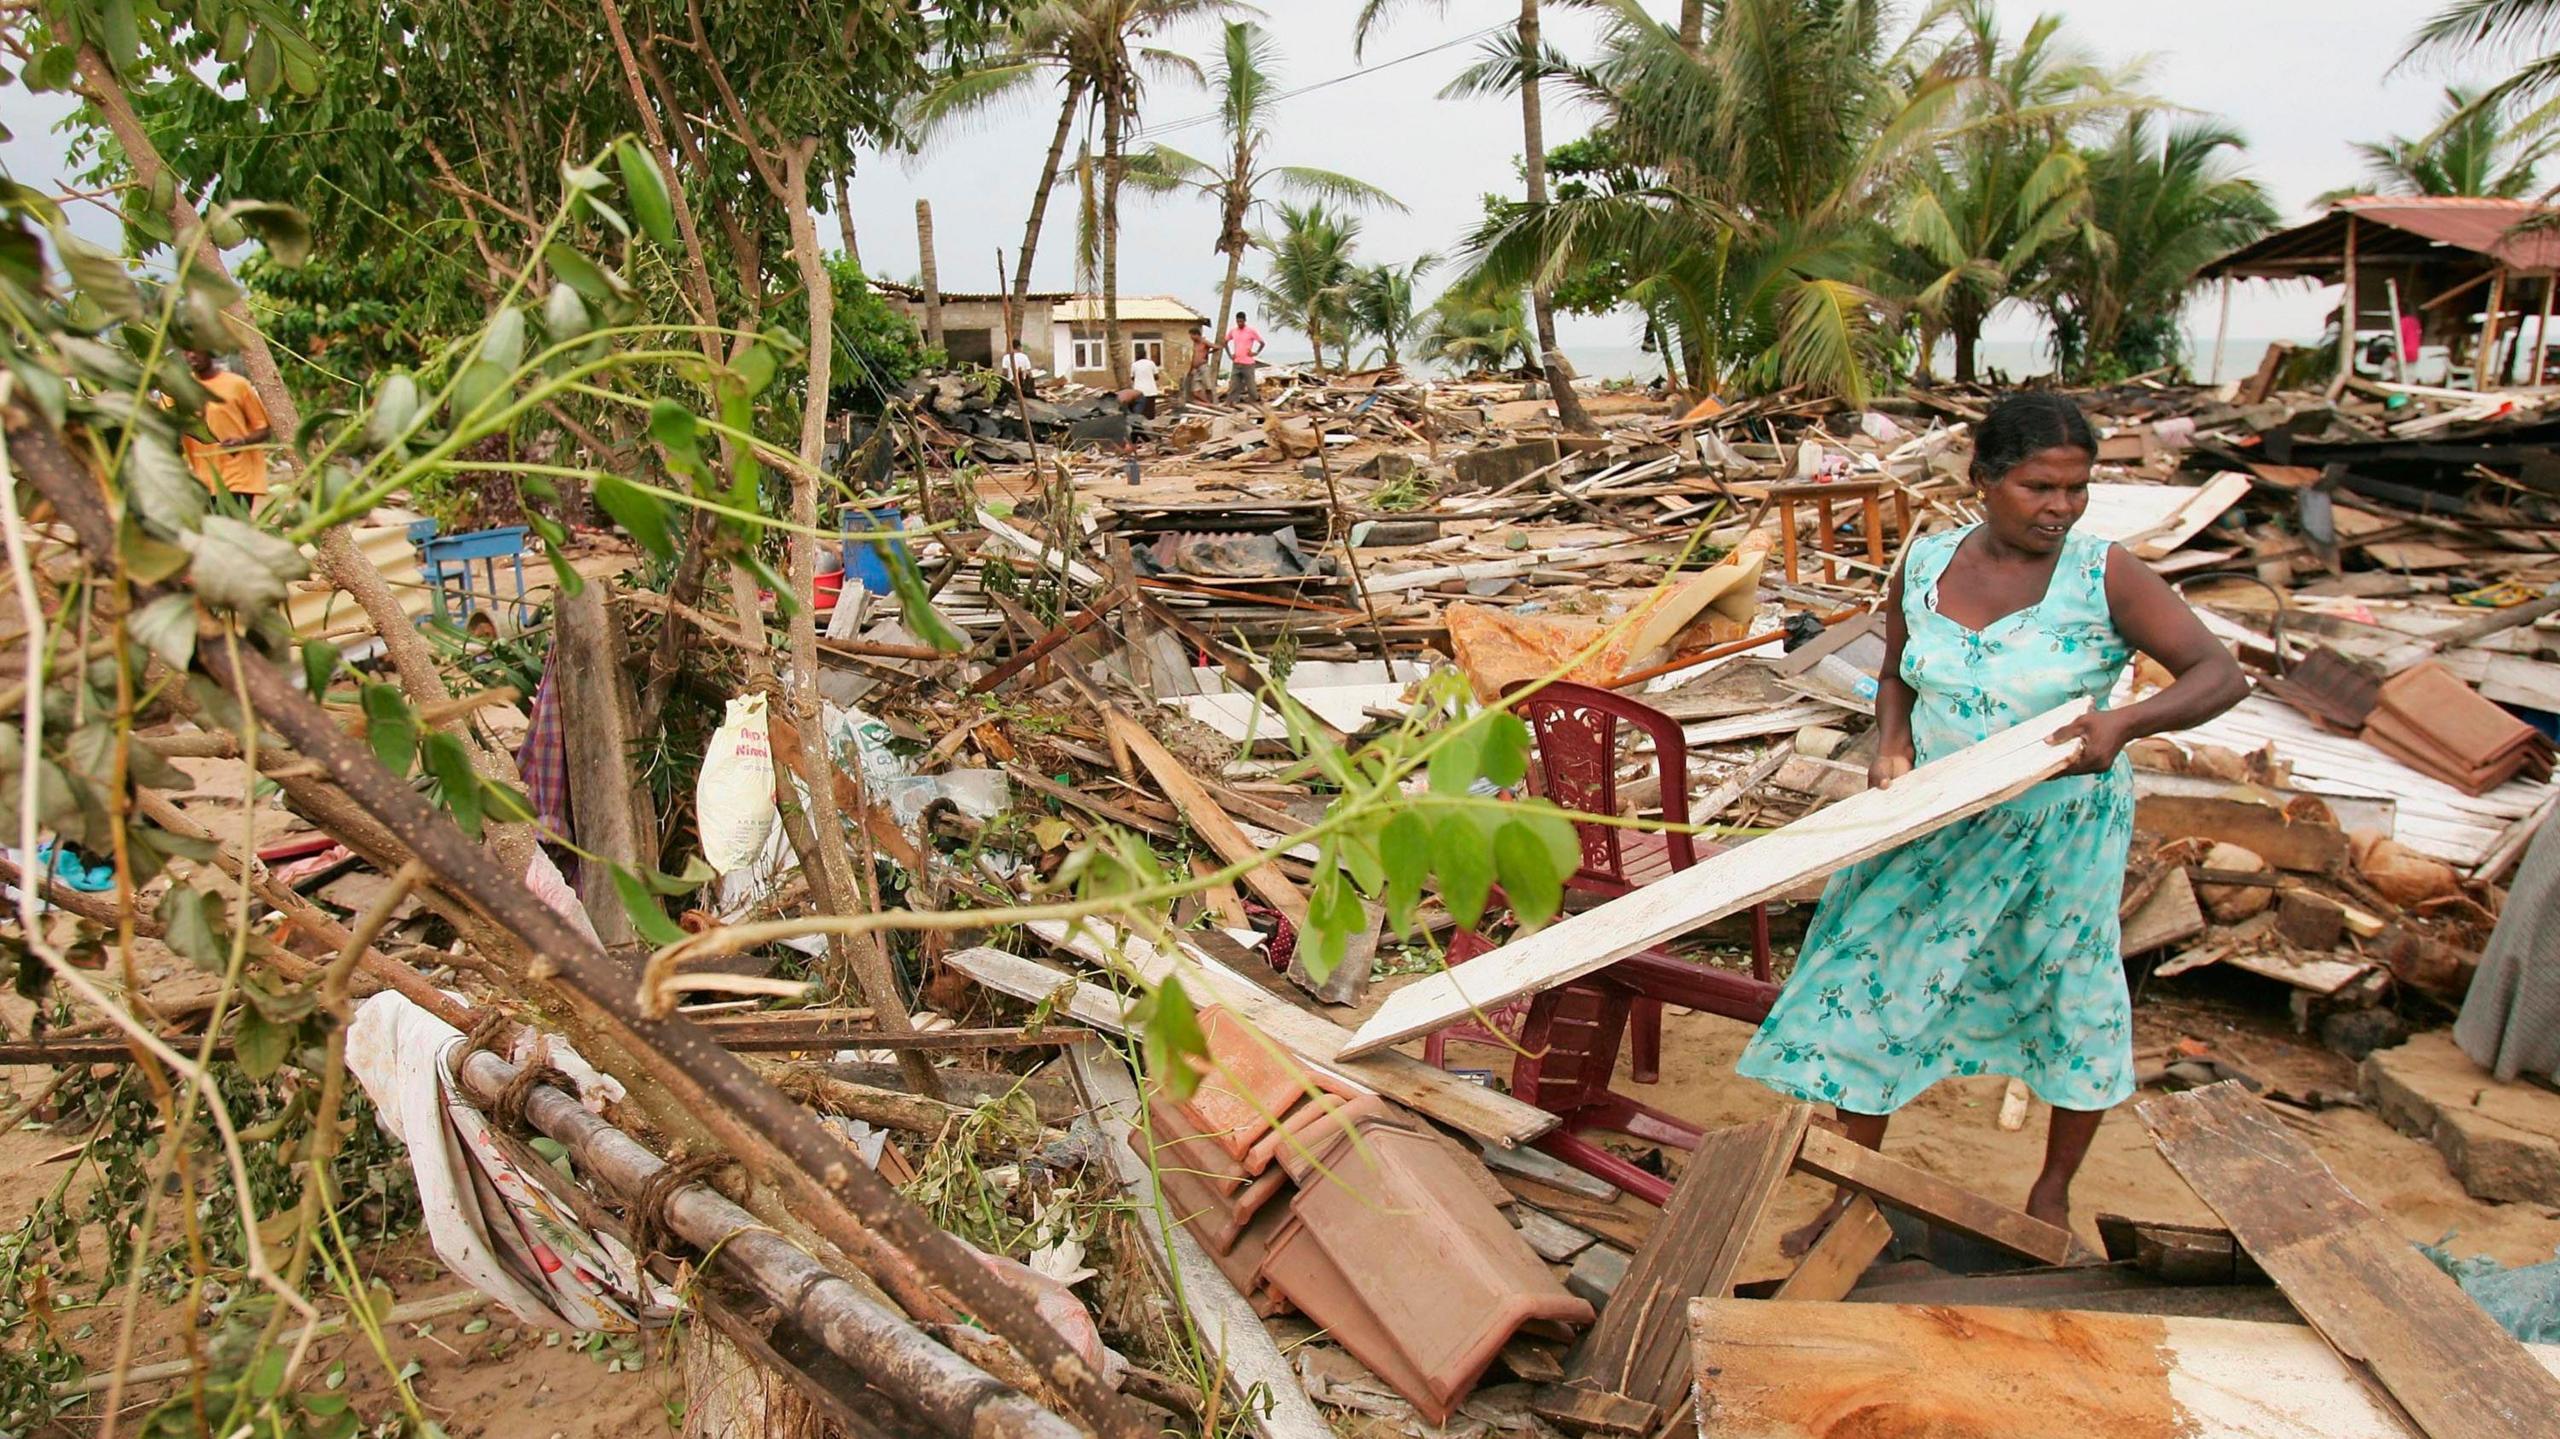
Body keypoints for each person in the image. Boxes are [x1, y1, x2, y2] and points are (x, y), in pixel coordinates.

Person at [1735, 392, 2248, 1243]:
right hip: (1938, 826)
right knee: (1873, 992)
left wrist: (2121, 724)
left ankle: (2051, 1194)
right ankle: (1850, 1195)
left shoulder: (2104, 573)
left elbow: (2218, 675)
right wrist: (1889, 746)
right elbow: (1897, 671)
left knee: (2067, 1001)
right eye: (2038, 487)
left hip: (2060, 836)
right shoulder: (1927, 564)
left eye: (2076, 488)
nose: (2060, 507)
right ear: (1983, 479)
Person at [180, 350, 274, 504]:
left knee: (236, 521)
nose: (191, 355)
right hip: (204, 479)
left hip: (238, 476)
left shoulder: (236, 385)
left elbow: (263, 429)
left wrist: (241, 442)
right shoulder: (180, 389)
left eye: (196, 349)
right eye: (186, 351)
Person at [1224, 310, 1264, 402]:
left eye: (1241, 321)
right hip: (1237, 362)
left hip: (1248, 363)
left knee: (1251, 386)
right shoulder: (1233, 331)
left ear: (1245, 320)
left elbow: (1262, 343)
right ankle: (1231, 402)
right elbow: (1225, 342)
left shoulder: (1251, 331)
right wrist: (1230, 355)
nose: (1239, 323)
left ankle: (1257, 399)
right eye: (1238, 321)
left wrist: (1255, 352)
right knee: (1234, 385)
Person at [1186, 322, 1215, 402]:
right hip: (1196, 368)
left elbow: (1215, 346)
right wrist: (1191, 369)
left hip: (1203, 367)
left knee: (1208, 387)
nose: (1191, 337)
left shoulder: (1204, 342)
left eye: (1192, 335)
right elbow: (1194, 357)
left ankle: (1211, 403)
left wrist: (1209, 353)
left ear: (1196, 335)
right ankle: (1208, 403)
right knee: (1195, 391)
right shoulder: (1195, 344)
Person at [1128, 349, 1161, 419]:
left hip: (1139, 391)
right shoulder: (1151, 363)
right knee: (1150, 410)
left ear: (1136, 356)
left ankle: (1140, 423)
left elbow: (1132, 378)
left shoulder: (1134, 365)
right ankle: (1151, 424)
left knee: (1140, 410)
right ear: (1145, 355)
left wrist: (1139, 378)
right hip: (1151, 391)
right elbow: (1157, 377)